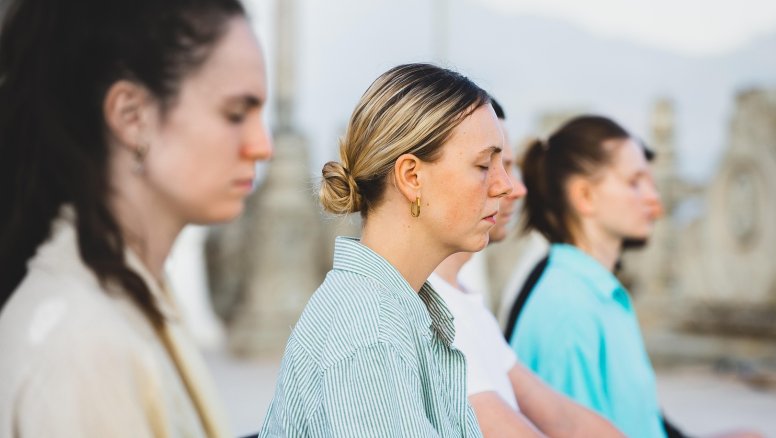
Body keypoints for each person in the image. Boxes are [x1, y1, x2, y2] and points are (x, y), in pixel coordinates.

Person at [0, 0, 271, 436]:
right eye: (236, 114)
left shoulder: (135, 293)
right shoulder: (83, 345)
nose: (262, 145)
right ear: (132, 116)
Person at [260, 63, 512, 437]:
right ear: (412, 177)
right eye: (483, 165)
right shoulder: (370, 336)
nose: (504, 186)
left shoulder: (398, 311)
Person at [429, 100, 625, 437]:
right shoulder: (431, 310)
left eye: (508, 167)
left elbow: (563, 417)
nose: (514, 188)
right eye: (484, 166)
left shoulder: (465, 302)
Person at [509, 115, 668, 438]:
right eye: (635, 182)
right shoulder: (568, 308)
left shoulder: (598, 292)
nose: (653, 198)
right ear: (584, 196)